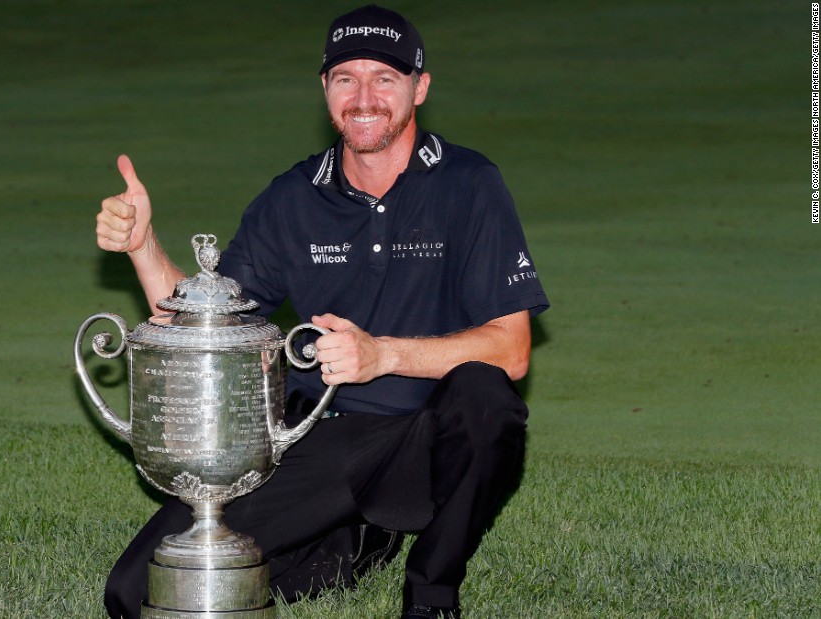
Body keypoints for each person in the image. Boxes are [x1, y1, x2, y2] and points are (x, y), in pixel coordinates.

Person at [95, 5, 549, 618]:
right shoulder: (294, 197)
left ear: (420, 86)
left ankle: (431, 592)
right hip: (318, 435)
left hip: (426, 437)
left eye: (384, 78)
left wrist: (382, 354)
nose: (364, 97)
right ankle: (357, 537)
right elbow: (205, 325)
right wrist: (143, 247)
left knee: (487, 397)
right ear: (325, 92)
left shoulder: (469, 183)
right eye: (345, 78)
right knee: (137, 591)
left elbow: (513, 348)